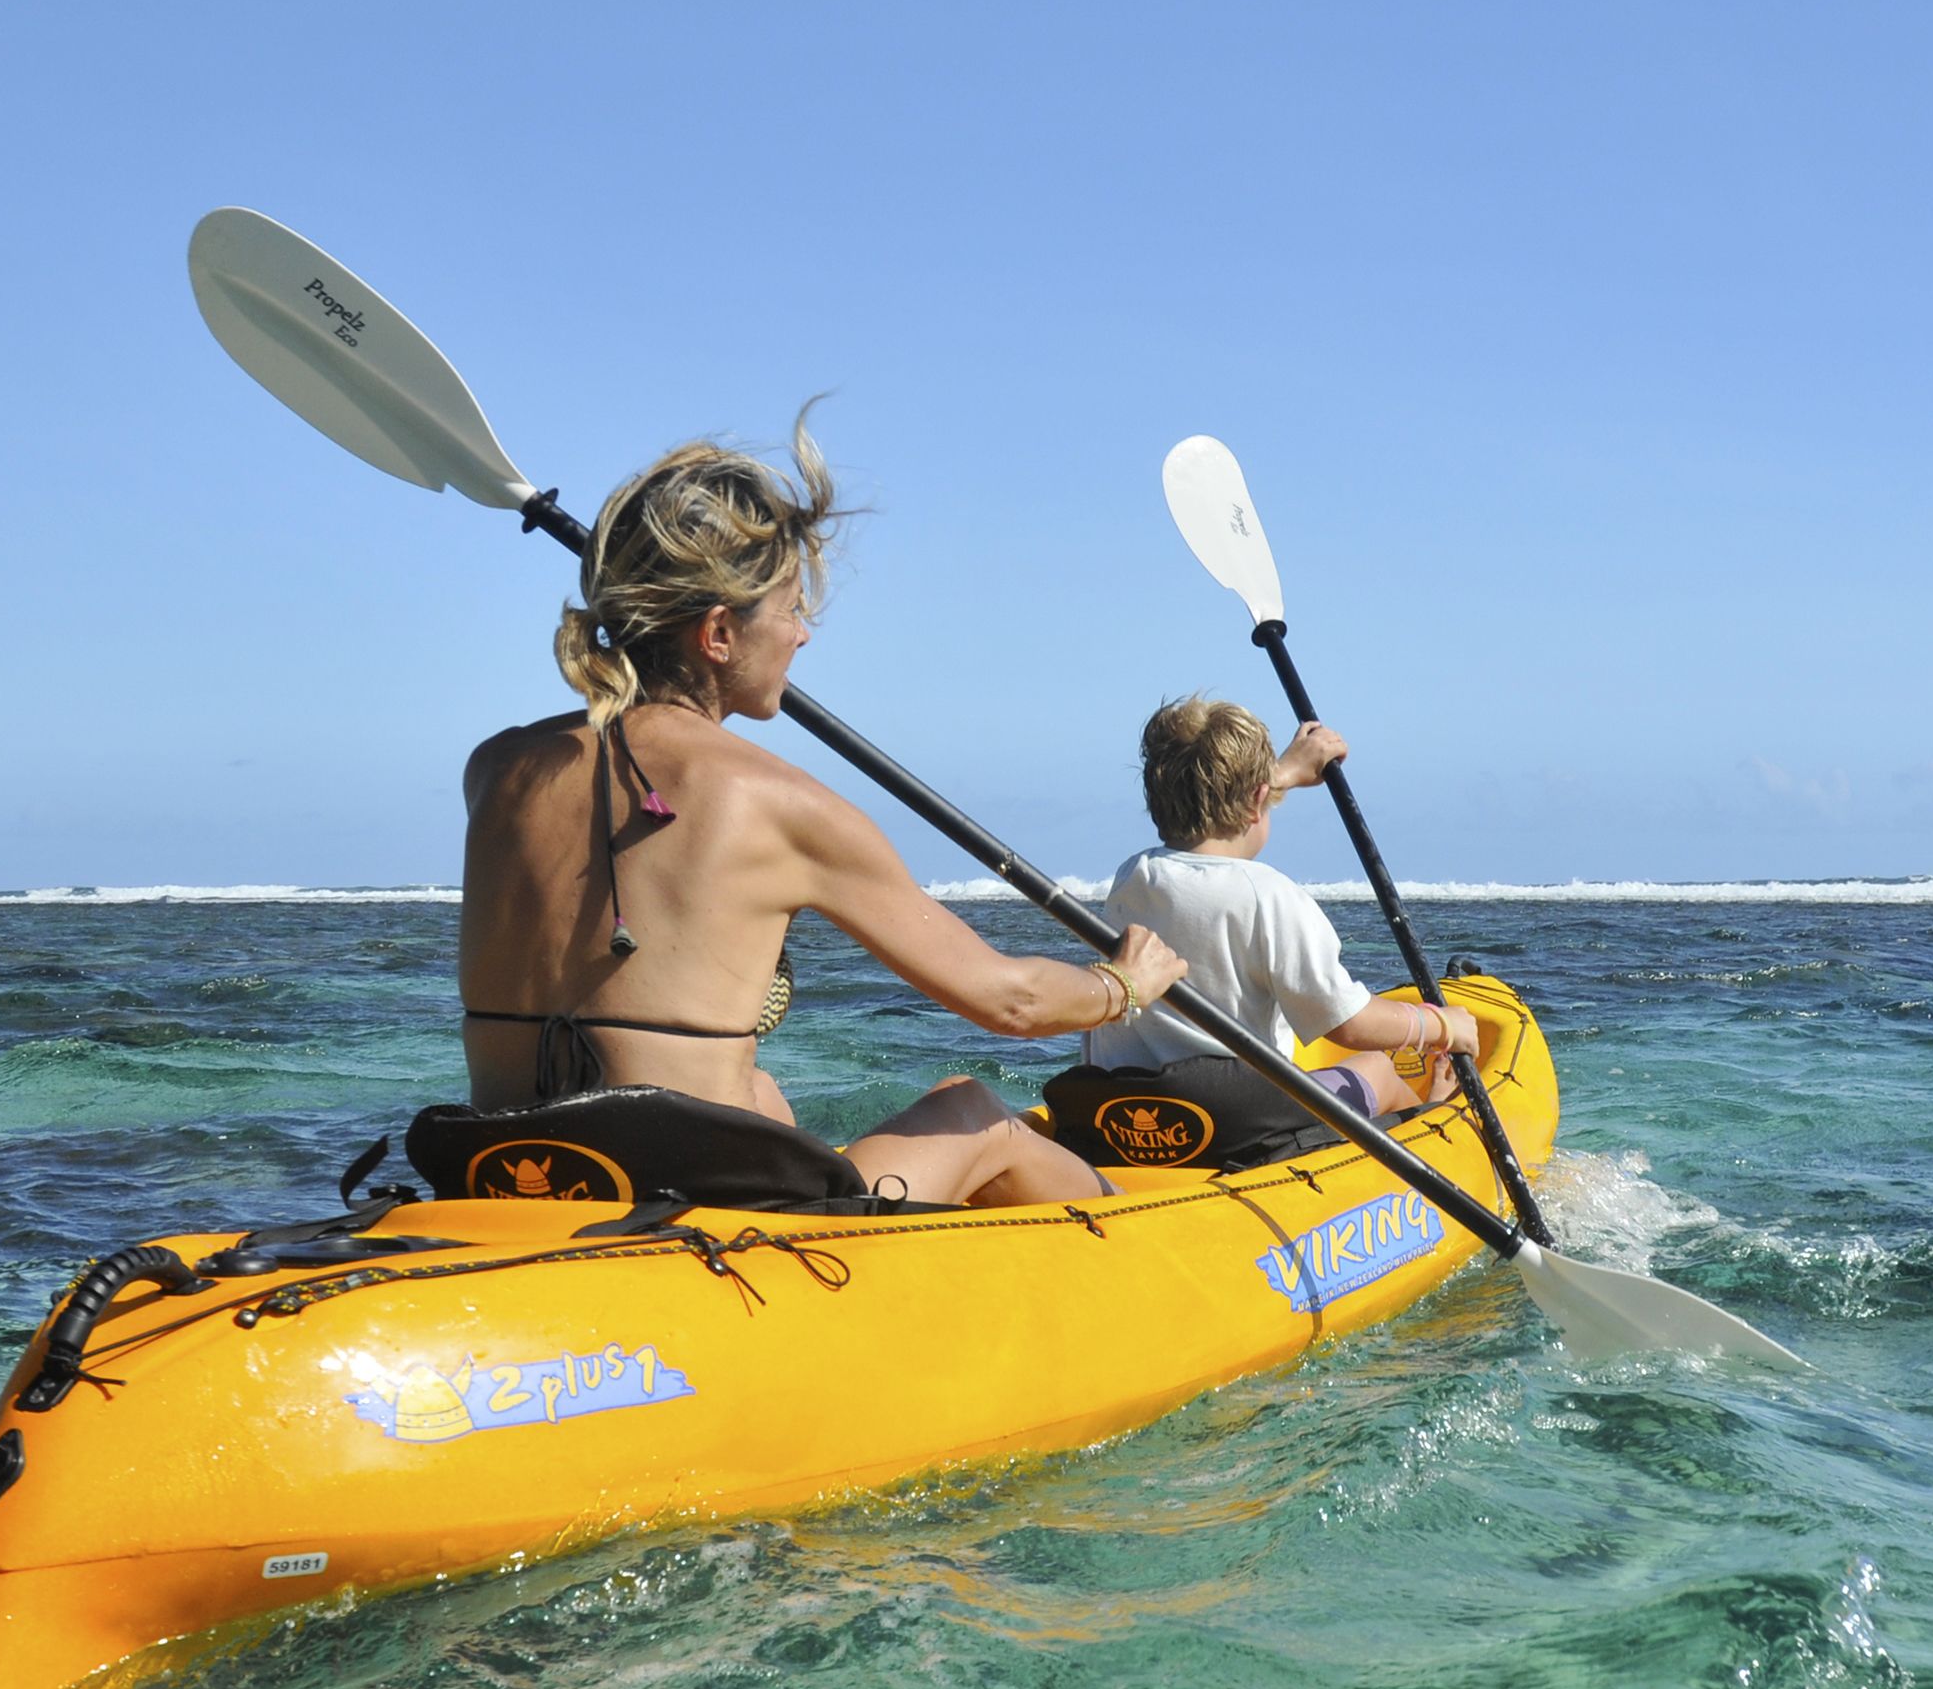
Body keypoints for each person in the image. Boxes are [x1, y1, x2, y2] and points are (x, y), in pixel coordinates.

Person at [455, 418, 1184, 1207]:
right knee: (975, 1110)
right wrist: (1122, 985)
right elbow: (1011, 1000)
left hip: (512, 1177)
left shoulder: (498, 769)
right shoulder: (779, 802)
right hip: (699, 1202)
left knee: (763, 1095)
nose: (803, 636)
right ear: (719, 633)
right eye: (793, 610)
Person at [1080, 696, 1477, 1120]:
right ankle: (1435, 1114)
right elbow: (1347, 1022)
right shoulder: (1267, 895)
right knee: (1378, 1068)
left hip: (1130, 1113)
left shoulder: (1132, 877)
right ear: (1258, 802)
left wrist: (1280, 774)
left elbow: (1215, 803)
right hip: (1238, 1122)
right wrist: (1439, 1025)